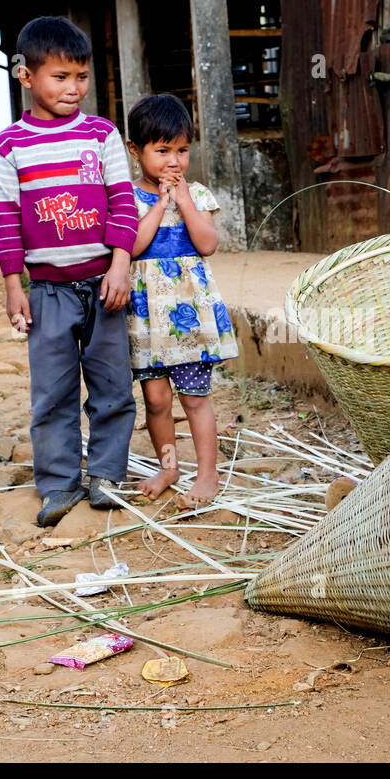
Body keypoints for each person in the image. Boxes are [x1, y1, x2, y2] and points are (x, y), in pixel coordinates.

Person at [0, 16, 139, 526]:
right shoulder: (10, 146)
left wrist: (120, 267)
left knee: (112, 386)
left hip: (106, 286)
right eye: (60, 77)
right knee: (52, 391)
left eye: (81, 77)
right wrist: (15, 287)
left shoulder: (101, 135)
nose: (73, 88)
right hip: (47, 291)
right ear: (26, 77)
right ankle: (58, 484)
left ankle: (106, 475)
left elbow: (124, 206)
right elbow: (8, 224)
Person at [124, 95, 238, 505]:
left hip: (188, 318)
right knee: (155, 401)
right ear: (135, 150)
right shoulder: (127, 197)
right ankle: (169, 466)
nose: (174, 161)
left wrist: (184, 201)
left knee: (194, 397)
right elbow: (133, 246)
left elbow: (207, 244)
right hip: (147, 318)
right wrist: (159, 206)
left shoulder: (198, 193)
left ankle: (207, 475)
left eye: (182, 150)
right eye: (162, 151)